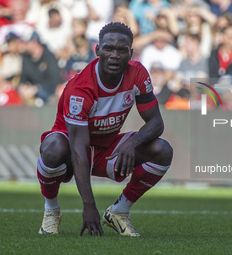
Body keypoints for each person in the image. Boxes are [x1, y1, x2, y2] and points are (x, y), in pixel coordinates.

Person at [37, 22, 173, 237]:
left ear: (131, 53)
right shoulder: (80, 89)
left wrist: (133, 142)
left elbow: (156, 123)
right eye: (108, 48)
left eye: (122, 50)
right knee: (53, 149)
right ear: (98, 50)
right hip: (71, 151)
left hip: (107, 148)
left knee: (162, 150)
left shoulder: (138, 74)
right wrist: (89, 205)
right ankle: (51, 209)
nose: (114, 55)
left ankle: (119, 211)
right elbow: (78, 148)